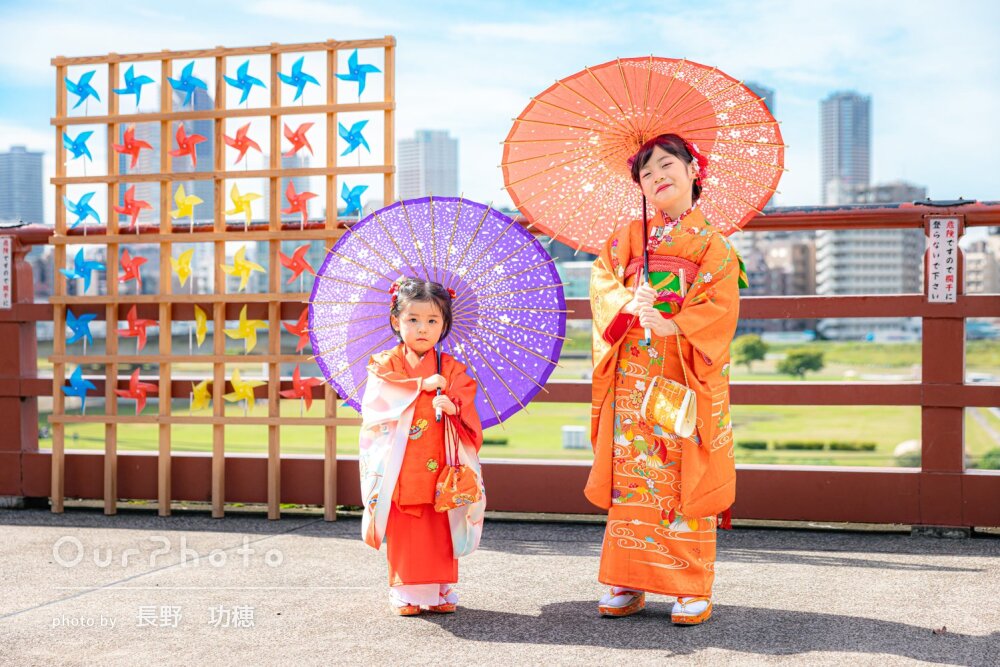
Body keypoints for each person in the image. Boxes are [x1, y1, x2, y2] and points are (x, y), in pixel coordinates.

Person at [586, 133, 747, 625]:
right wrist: (627, 302)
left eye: (667, 165)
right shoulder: (627, 238)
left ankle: (689, 584)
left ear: (693, 170)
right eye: (646, 172)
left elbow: (720, 306)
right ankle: (627, 579)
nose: (657, 177)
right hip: (633, 375)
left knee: (680, 476)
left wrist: (675, 324)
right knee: (633, 473)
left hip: (682, 373)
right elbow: (602, 283)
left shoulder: (714, 246)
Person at [358, 277, 483, 616]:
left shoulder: (453, 368)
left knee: (443, 520)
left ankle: (441, 588)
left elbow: (467, 407)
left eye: (432, 320)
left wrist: (454, 406)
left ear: (445, 324)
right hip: (402, 464)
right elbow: (378, 400)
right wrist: (419, 385)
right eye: (412, 319)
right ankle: (405, 591)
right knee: (407, 524)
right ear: (396, 321)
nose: (422, 328)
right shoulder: (385, 363)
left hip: (441, 462)